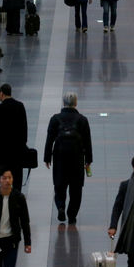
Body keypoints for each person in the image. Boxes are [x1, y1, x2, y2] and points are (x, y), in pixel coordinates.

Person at [44, 92, 93, 224]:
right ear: (76, 103)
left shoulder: (55, 119)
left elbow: (50, 139)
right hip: (77, 158)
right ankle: (72, 214)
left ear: (63, 102)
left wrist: (47, 157)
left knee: (60, 185)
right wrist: (88, 160)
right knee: (76, 187)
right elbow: (87, 141)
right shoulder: (82, 120)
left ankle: (60, 206)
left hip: (60, 157)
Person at [0, 83, 28, 191]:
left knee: (4, 174)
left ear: (1, 93)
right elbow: (24, 128)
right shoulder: (20, 106)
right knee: (17, 176)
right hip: (17, 149)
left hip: (2, 149)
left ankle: (5, 194)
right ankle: (17, 197)